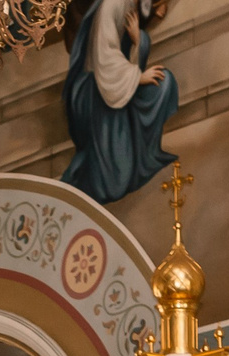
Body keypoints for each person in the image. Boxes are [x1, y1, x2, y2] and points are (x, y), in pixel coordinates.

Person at [60, 0, 178, 205]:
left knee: (165, 83)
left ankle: (144, 151)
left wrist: (138, 40)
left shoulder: (136, 4)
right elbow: (105, 60)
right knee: (116, 182)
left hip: (119, 85)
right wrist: (138, 78)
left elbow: (133, 52)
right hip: (96, 92)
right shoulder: (112, 5)